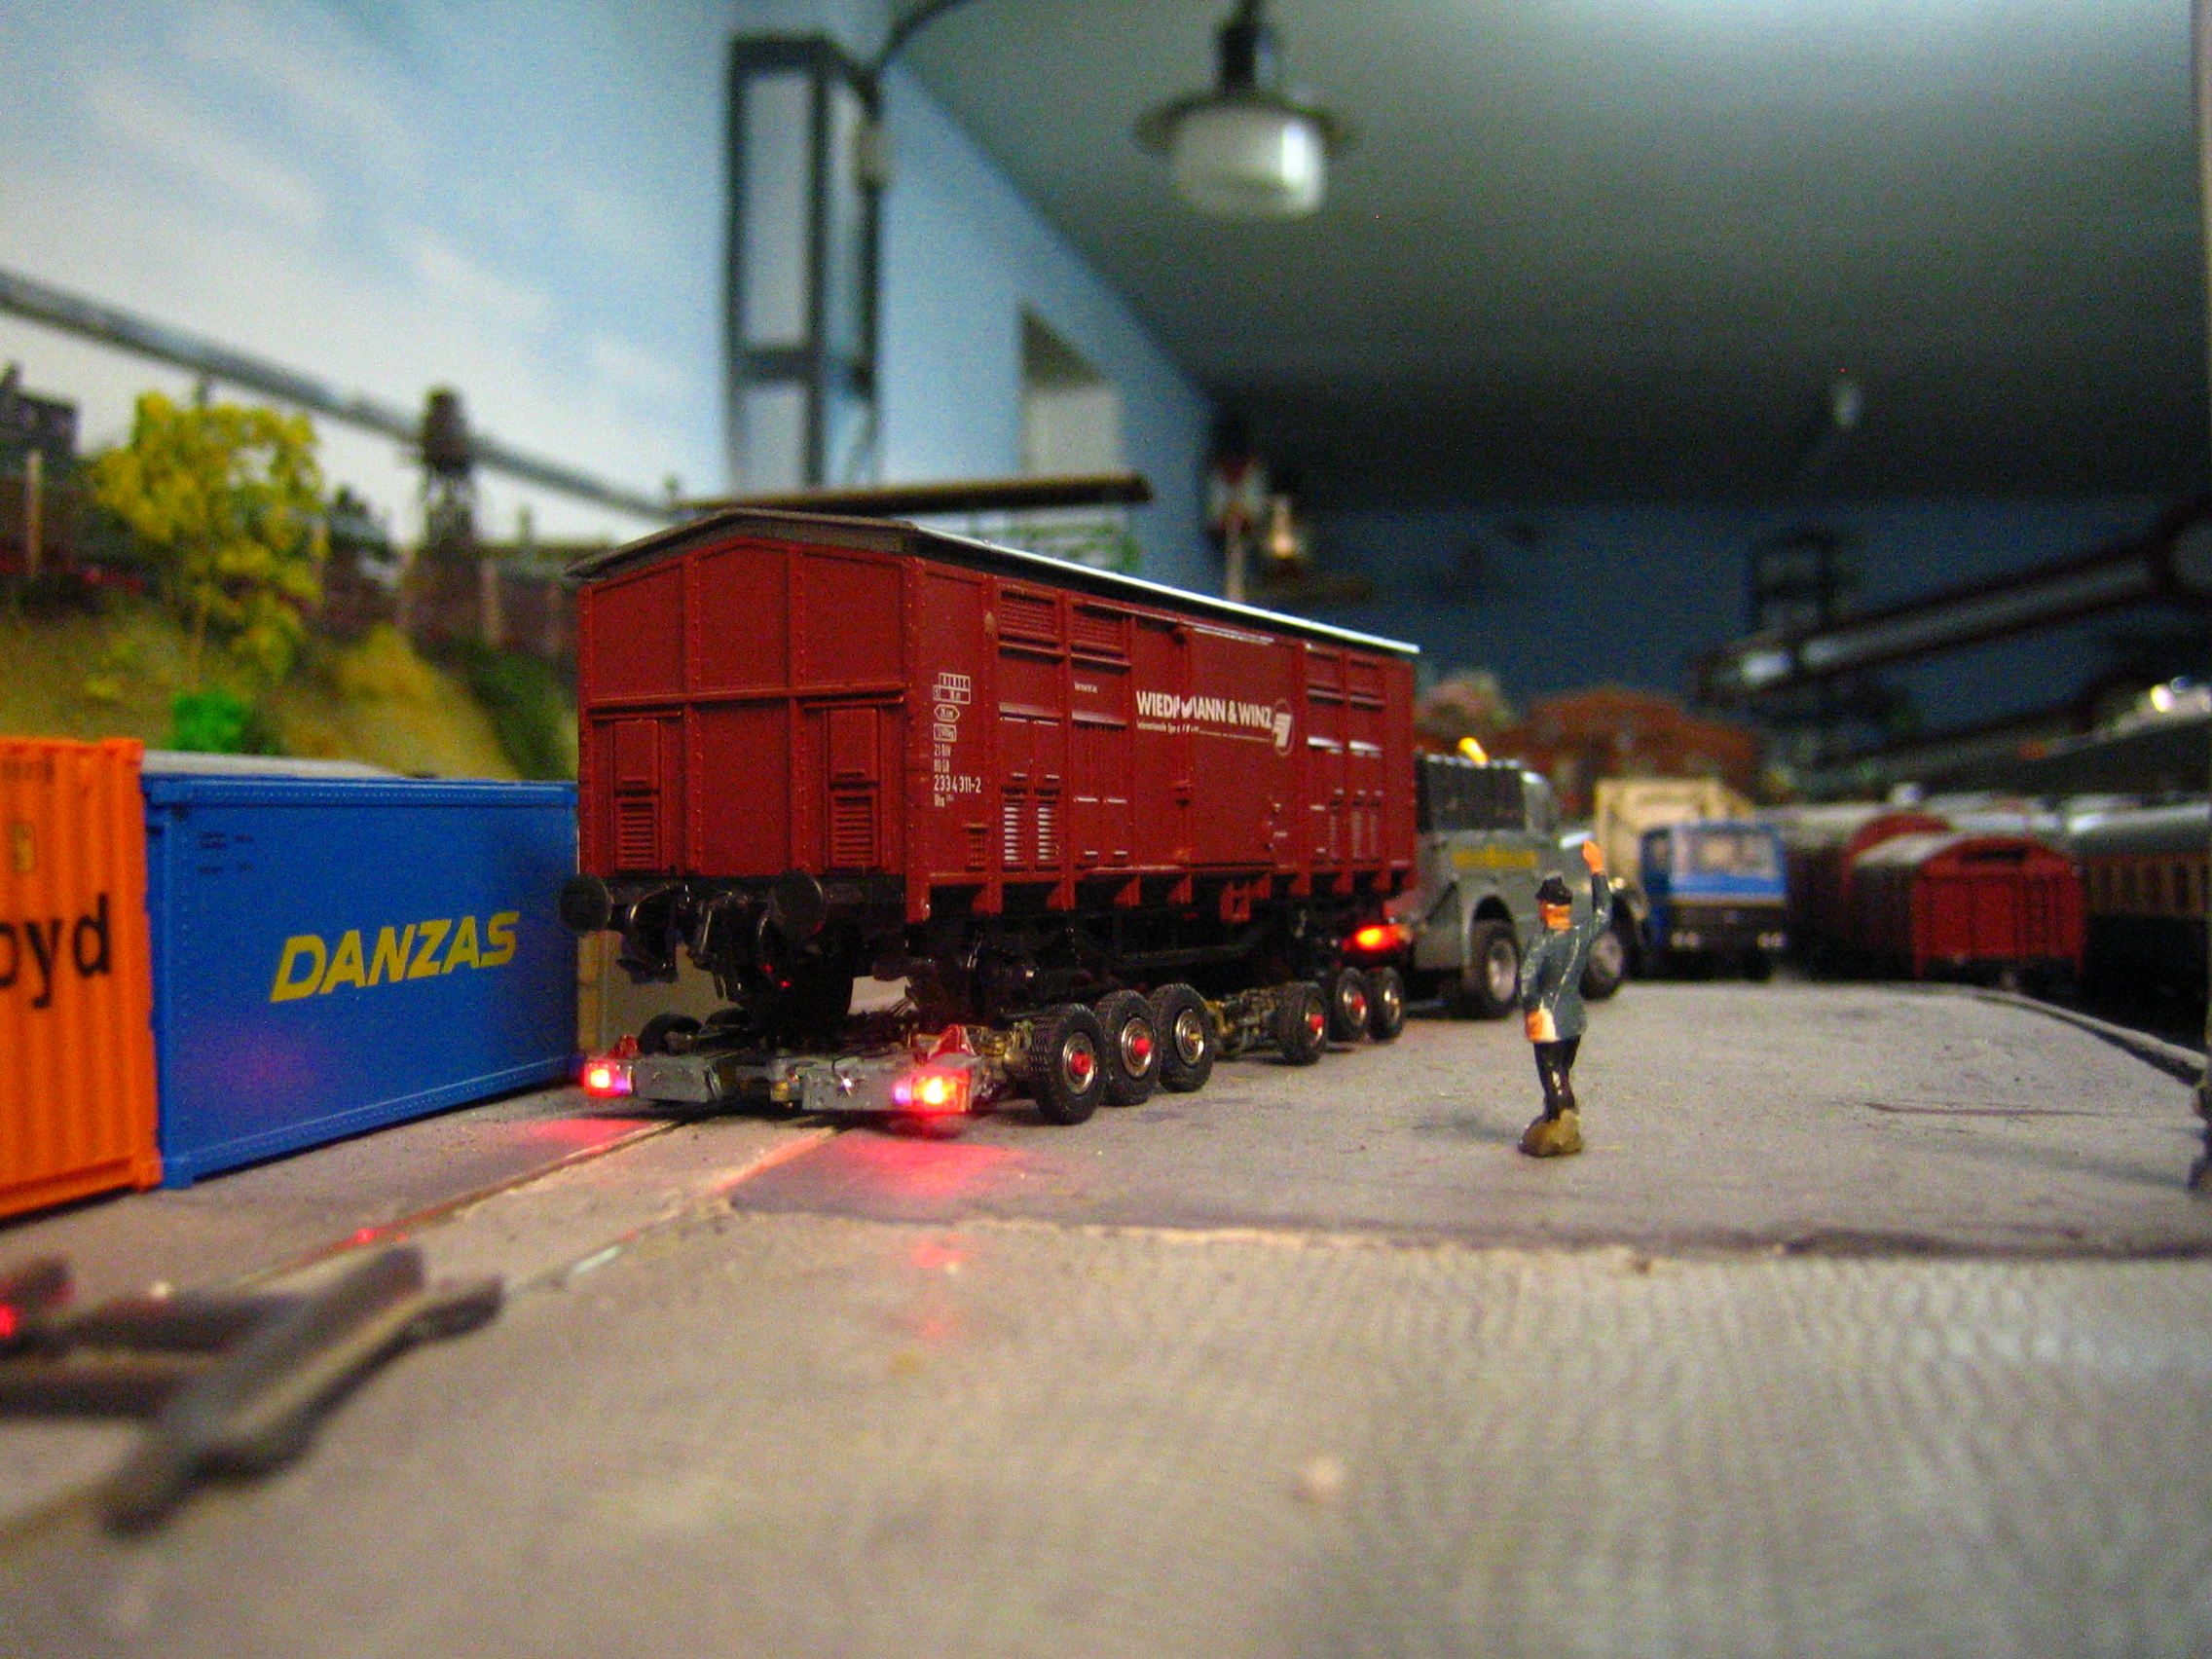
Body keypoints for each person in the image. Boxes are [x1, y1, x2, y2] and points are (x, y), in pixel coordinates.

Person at [1517, 840, 1611, 1158]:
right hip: (1573, 1018)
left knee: (1552, 1073)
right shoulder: (1581, 936)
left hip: (1548, 1019)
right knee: (1563, 1070)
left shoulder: (1541, 943)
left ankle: (1562, 1113)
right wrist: (1597, 870)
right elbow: (1603, 913)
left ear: (1547, 907)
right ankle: (1555, 1115)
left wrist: (1531, 1010)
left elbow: (1526, 980)